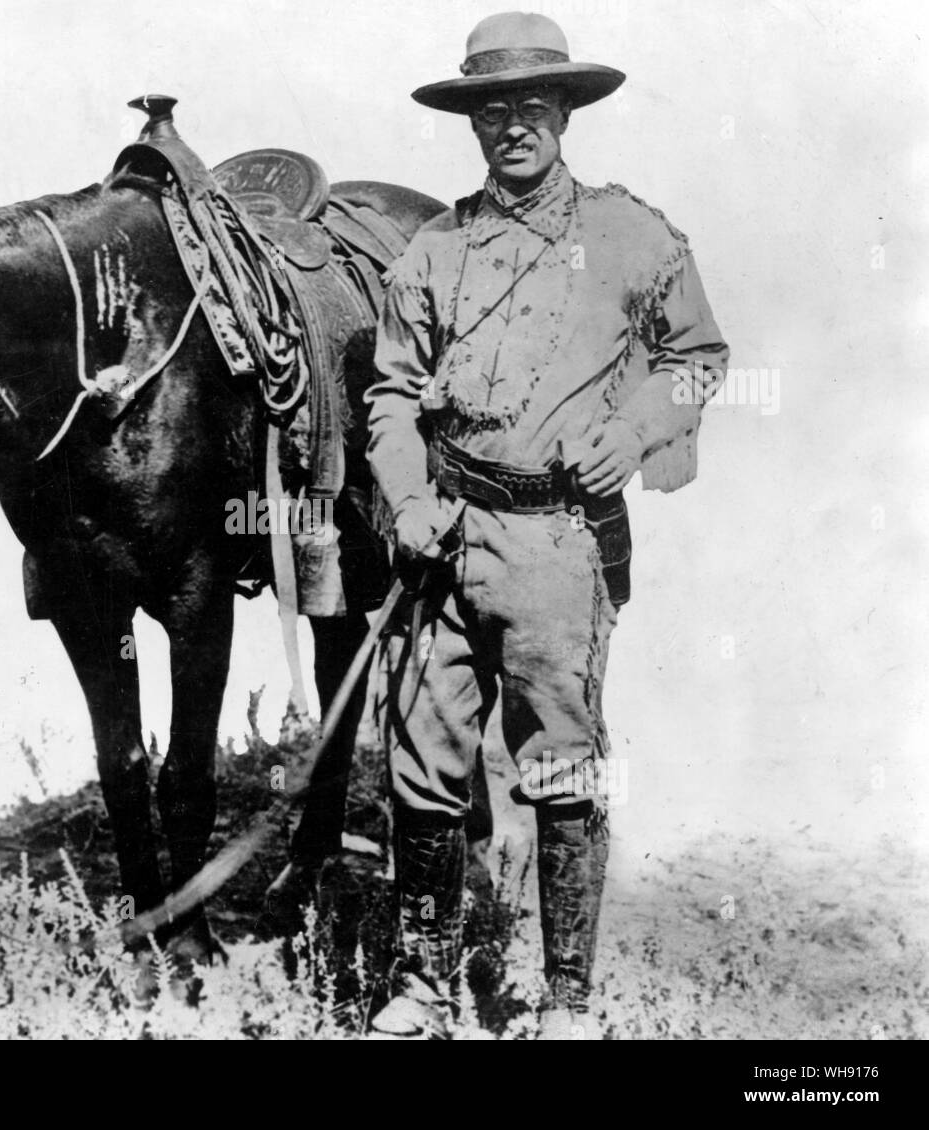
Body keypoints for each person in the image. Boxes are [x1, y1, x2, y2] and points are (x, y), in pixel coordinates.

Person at [366, 10, 729, 1038]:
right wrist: (406, 500)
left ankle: (565, 999)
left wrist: (638, 429)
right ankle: (422, 985)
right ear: (472, 123)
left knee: (560, 761)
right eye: (490, 110)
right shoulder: (433, 248)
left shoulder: (631, 235)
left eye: (528, 106)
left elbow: (696, 356)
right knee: (422, 763)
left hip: (557, 543)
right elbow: (392, 392)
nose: (510, 127)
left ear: (562, 111)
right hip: (447, 531)